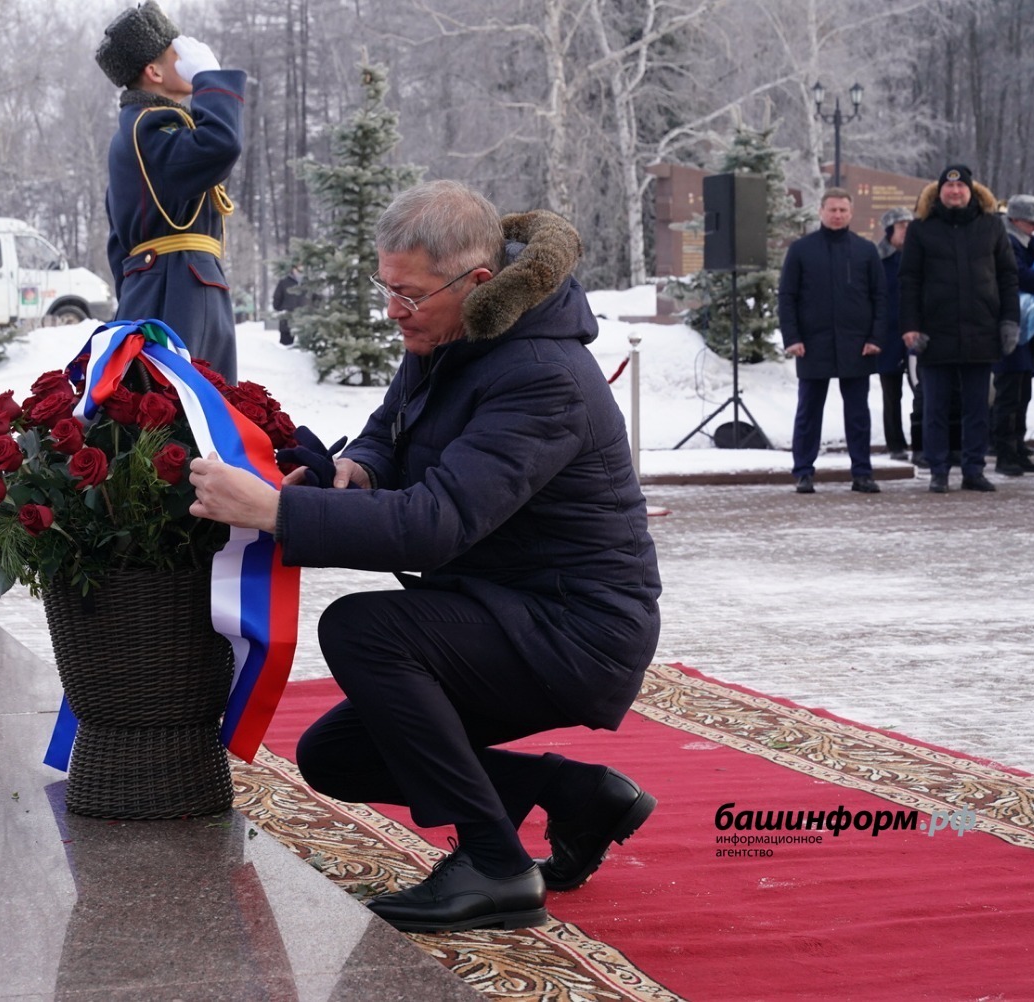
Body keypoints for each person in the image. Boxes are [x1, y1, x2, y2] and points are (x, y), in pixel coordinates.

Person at [188, 181, 662, 933]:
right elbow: (388, 429)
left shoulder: (541, 376)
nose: (392, 311)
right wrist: (356, 473)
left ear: (479, 284)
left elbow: (436, 526)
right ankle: (572, 795)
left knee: (362, 631)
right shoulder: (452, 335)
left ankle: (498, 868)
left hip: (578, 630)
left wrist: (277, 512)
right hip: (503, 606)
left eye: (407, 295)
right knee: (335, 757)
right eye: (386, 289)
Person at [96, 1, 245, 383]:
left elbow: (119, 244)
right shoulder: (150, 125)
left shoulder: (140, 127)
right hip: (178, 290)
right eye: (178, 53)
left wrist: (135, 295)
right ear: (154, 71)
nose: (190, 59)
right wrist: (212, 79)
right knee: (187, 423)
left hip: (162, 286)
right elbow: (220, 144)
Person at [899, 164, 1019, 494]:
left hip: (982, 331)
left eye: (961, 188)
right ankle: (939, 469)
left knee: (977, 408)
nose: (955, 193)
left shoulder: (992, 227)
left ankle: (973, 469)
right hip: (935, 334)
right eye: (948, 188)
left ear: (971, 191)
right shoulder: (922, 229)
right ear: (939, 193)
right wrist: (910, 326)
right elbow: (908, 281)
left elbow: (1008, 277)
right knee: (935, 407)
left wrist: (1010, 321)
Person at [778, 187, 885, 494]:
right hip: (813, 344)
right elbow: (787, 296)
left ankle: (862, 473)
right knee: (809, 412)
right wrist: (792, 337)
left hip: (858, 344)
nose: (837, 215)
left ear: (851, 214)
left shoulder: (865, 251)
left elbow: (880, 296)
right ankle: (803, 472)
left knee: (858, 414)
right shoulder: (801, 250)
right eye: (832, 209)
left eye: (843, 210)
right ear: (821, 212)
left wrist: (875, 336)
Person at [991, 194, 1034, 477]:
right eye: (1031, 221)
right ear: (1015, 220)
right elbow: (1018, 275)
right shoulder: (1006, 243)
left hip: (1027, 324)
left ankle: (1017, 446)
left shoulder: (1031, 243)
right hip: (1009, 322)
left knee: (1023, 390)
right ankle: (1004, 452)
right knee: (1009, 391)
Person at [875, 207, 913, 462]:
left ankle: (922, 443)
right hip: (887, 336)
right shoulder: (876, 260)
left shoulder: (919, 257)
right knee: (892, 394)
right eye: (902, 227)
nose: (907, 232)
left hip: (916, 334)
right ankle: (895, 443)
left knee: (923, 392)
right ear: (890, 231)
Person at [272, 264, 302, 346]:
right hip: (287, 322)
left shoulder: (309, 283)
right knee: (285, 350)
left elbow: (317, 299)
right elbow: (276, 299)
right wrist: (283, 310)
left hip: (305, 322)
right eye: (298, 267)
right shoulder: (284, 282)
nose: (300, 269)